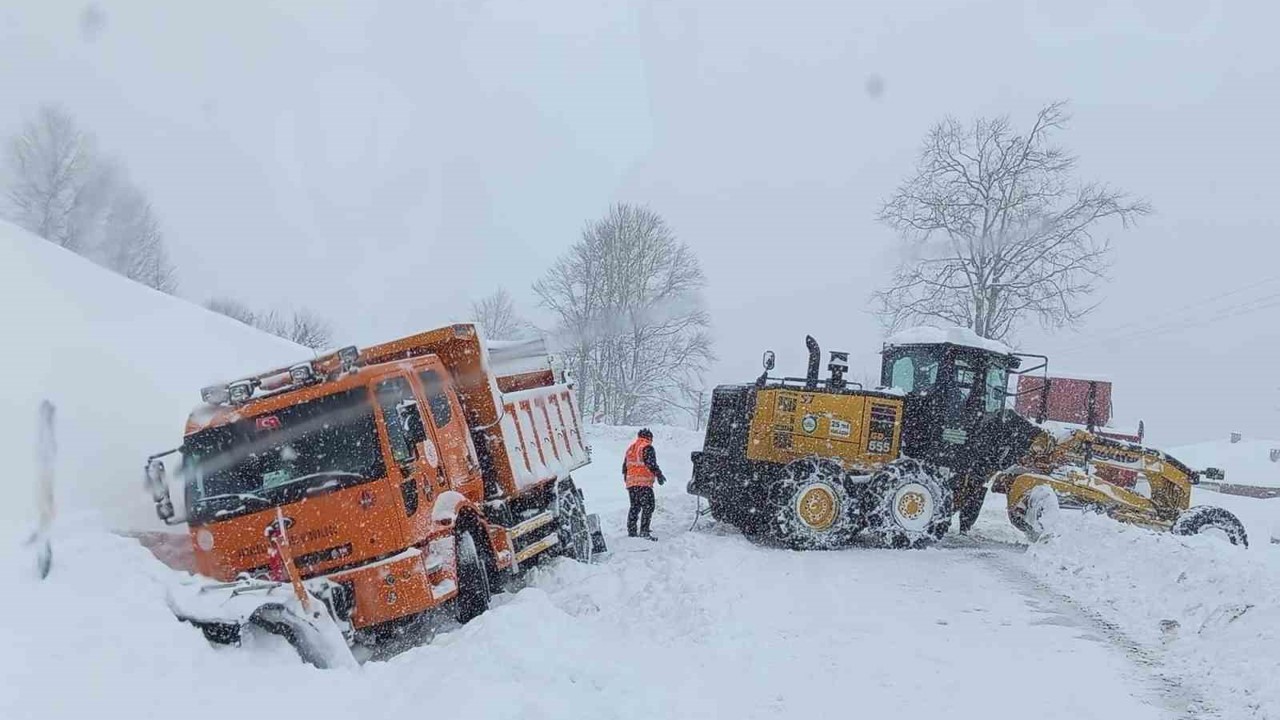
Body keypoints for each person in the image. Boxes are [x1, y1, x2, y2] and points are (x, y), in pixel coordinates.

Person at [623, 428, 666, 539]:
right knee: (648, 506)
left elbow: (625, 467)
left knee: (635, 507)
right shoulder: (647, 447)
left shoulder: (631, 449)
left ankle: (632, 531)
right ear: (649, 437)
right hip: (644, 483)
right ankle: (644, 531)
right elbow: (651, 464)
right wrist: (659, 475)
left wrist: (628, 481)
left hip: (631, 483)